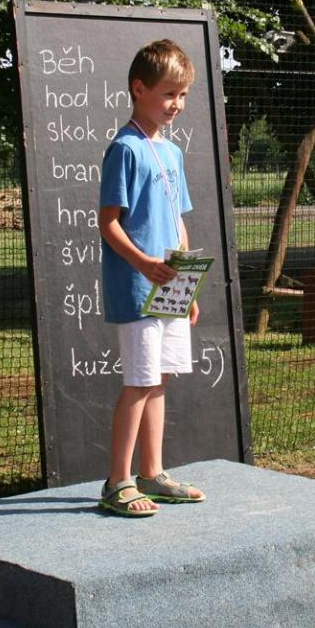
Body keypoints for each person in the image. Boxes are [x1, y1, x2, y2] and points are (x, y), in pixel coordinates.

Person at [96, 40, 207, 517]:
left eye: (182, 95)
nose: (176, 104)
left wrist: (187, 285)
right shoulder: (125, 149)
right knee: (139, 382)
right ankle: (117, 482)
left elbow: (177, 221)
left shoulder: (173, 152)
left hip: (169, 289)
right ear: (139, 89)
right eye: (168, 94)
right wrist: (143, 264)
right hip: (138, 287)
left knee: (160, 379)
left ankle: (152, 473)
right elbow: (108, 223)